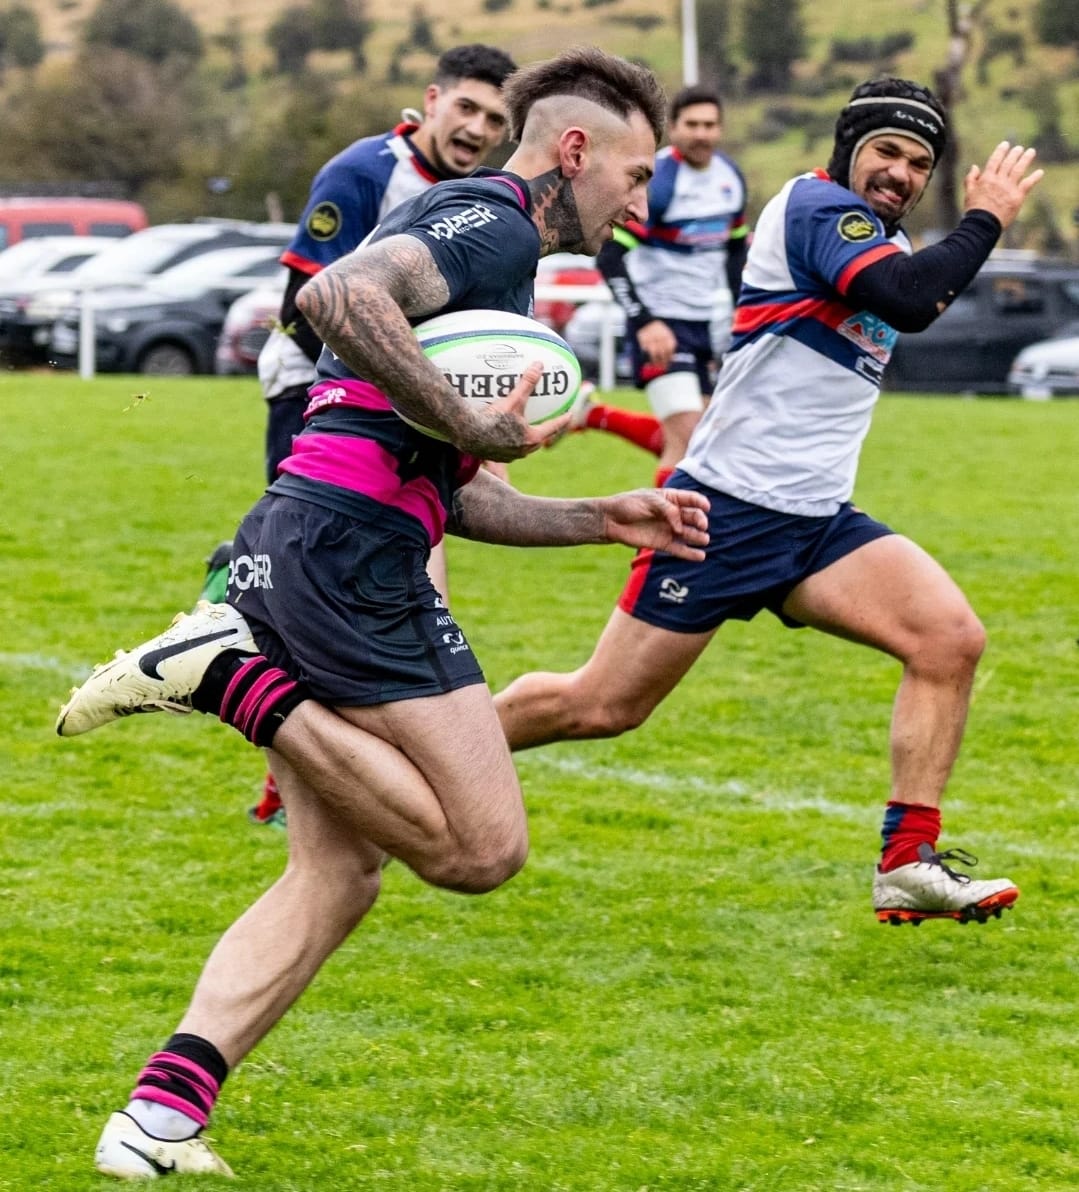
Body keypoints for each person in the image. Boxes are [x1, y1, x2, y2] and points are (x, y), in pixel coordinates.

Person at [56, 48, 710, 1179]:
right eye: (635, 172)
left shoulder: (490, 252)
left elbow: (445, 484)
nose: (638, 199)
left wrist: (599, 516)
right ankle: (228, 677)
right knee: (481, 847)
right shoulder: (492, 224)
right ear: (573, 152)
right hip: (349, 563)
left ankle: (158, 1114)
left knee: (337, 874)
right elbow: (336, 295)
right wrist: (472, 419)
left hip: (316, 539)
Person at [493, 77, 1045, 927]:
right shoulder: (818, 209)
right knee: (600, 705)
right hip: (723, 513)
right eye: (886, 152)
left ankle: (906, 863)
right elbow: (909, 299)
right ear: (847, 150)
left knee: (947, 639)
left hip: (816, 523)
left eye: (917, 164)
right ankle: (408, 744)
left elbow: (913, 283)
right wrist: (987, 216)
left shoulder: (882, 242)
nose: (899, 173)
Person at [225, 43, 518, 827]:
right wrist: (400, 391)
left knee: (386, 577)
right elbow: (304, 303)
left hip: (404, 413)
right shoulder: (363, 172)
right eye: (467, 107)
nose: (477, 128)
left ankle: (303, 747)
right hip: (315, 396)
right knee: (341, 574)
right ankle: (284, 738)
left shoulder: (477, 203)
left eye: (495, 119)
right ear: (432, 99)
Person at [566, 84, 749, 485]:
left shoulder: (730, 177)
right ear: (675, 128)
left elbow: (736, 252)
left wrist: (743, 313)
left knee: (703, 441)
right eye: (692, 125)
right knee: (688, 436)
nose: (701, 133)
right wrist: (645, 322)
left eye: (710, 125)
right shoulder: (660, 181)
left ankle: (594, 414)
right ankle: (662, 530)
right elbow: (610, 257)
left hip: (705, 325)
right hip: (659, 325)